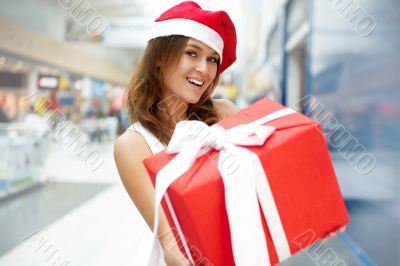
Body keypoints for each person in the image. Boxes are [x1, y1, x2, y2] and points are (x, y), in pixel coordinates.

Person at [114, 2, 344, 265]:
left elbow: (267, 187)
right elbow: (173, 244)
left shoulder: (224, 113)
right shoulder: (133, 145)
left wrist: (316, 212)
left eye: (212, 59)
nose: (204, 68)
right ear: (159, 56)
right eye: (192, 53)